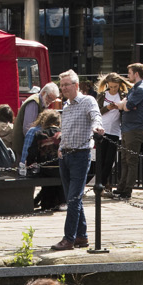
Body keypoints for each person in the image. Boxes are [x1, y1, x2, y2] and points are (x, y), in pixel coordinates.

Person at [54, 70, 96, 251]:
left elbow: (96, 116)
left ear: (76, 85)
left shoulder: (88, 101)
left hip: (80, 155)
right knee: (73, 197)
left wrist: (98, 127)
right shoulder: (66, 106)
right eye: (61, 85)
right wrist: (61, 146)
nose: (63, 88)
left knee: (73, 198)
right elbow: (67, 129)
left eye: (66, 85)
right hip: (66, 155)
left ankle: (68, 238)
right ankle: (82, 236)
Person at [118, 62, 143, 199]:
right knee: (125, 160)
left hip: (134, 130)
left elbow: (127, 105)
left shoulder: (140, 90)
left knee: (131, 160)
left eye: (130, 73)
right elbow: (125, 104)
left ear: (136, 74)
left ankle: (127, 190)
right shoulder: (135, 89)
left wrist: (124, 105)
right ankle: (122, 187)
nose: (128, 75)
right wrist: (124, 104)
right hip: (127, 129)